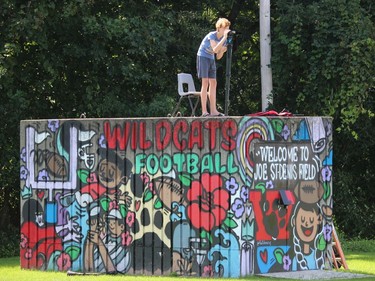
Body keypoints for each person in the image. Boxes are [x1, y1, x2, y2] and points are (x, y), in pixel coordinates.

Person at [197, 18, 231, 117]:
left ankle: (213, 111)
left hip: (211, 58)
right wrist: (224, 38)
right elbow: (215, 49)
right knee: (205, 82)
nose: (226, 31)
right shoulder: (212, 35)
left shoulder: (223, 40)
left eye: (228, 28)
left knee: (214, 82)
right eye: (225, 28)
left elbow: (218, 56)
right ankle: (204, 111)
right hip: (203, 56)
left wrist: (223, 50)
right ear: (219, 28)